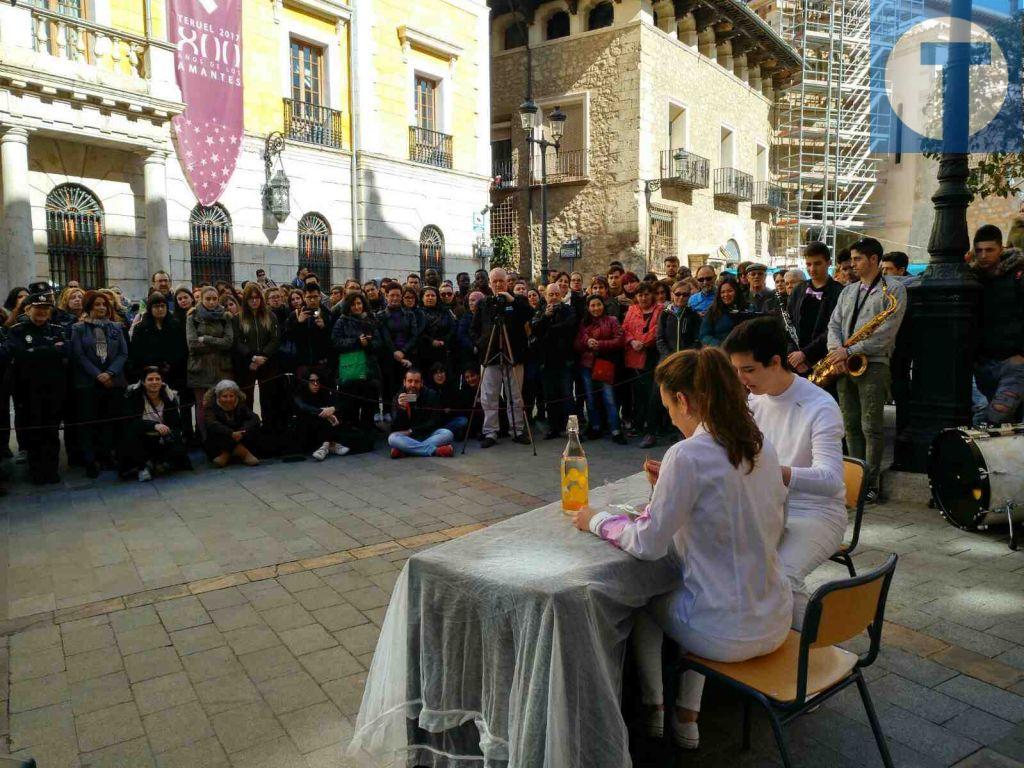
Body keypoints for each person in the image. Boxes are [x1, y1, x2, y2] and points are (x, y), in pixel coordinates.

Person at [572, 347, 791, 749]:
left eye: (669, 407)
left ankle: (653, 707)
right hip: (774, 618)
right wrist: (667, 495)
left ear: (685, 401)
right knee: (687, 591)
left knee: (643, 598)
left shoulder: (687, 454)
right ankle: (685, 716)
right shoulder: (761, 444)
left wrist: (596, 520)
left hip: (723, 630)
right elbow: (730, 509)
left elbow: (647, 544)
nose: (670, 418)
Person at [725, 318, 846, 626]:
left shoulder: (820, 405)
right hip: (769, 506)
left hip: (815, 513)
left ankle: (817, 652)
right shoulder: (755, 399)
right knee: (718, 559)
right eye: (736, 370)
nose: (741, 379)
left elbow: (832, 480)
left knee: (783, 577)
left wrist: (774, 473)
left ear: (776, 362)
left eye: (748, 370)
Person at [825, 237, 907, 503]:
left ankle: (871, 483)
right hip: (844, 364)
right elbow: (833, 325)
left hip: (873, 363)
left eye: (858, 259)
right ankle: (854, 479)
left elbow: (886, 332)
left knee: (871, 426)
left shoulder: (893, 290)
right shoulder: (848, 291)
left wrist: (848, 351)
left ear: (874, 260)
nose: (852, 265)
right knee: (849, 425)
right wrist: (837, 352)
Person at [5, 291, 67, 484]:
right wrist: (48, 351)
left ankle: (51, 469)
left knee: (51, 431)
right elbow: (20, 356)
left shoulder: (57, 329)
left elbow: (64, 352)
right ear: (27, 309)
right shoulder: (17, 331)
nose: (42, 312)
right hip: (28, 390)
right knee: (34, 432)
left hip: (53, 389)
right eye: (38, 308)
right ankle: (36, 471)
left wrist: (36, 352)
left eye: (46, 309)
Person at [471, 268, 533, 448]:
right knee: (488, 396)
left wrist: (511, 300)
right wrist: (480, 343)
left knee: (515, 395)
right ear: (490, 284)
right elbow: (474, 328)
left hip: (514, 356)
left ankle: (517, 430)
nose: (498, 284)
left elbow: (529, 314)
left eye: (501, 281)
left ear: (507, 282)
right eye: (495, 281)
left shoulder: (517, 301)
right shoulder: (483, 304)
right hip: (490, 356)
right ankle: (490, 431)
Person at [70, 291, 129, 478]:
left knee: (109, 421)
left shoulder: (116, 327)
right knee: (89, 423)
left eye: (104, 304)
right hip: (88, 383)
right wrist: (98, 375)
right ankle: (90, 460)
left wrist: (110, 372)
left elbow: (123, 353)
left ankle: (107, 456)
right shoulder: (78, 329)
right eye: (97, 304)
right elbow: (78, 355)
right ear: (89, 307)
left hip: (113, 382)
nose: (102, 307)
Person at [969, 224, 1024, 424]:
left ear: (1001, 249)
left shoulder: (1018, 275)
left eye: (989, 250)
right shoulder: (974, 277)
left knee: (995, 416)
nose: (983, 255)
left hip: (1013, 362)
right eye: (979, 250)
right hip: (984, 363)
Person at [119, 367, 191, 481]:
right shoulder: (134, 396)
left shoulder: (168, 396)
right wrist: (154, 425)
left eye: (157, 379)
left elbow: (176, 423)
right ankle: (144, 466)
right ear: (143, 382)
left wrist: (170, 433)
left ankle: (159, 462)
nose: (154, 382)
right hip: (141, 437)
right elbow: (131, 423)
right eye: (150, 379)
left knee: (178, 448)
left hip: (163, 437)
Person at [786, 242, 843, 378]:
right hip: (796, 360)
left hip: (824, 360)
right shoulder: (799, 290)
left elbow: (834, 328)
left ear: (829, 263)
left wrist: (806, 354)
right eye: (808, 264)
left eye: (817, 264)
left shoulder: (839, 291)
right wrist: (793, 354)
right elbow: (788, 323)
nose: (812, 269)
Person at [575, 294, 625, 443]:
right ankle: (595, 426)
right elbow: (577, 343)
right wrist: (586, 343)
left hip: (604, 363)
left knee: (609, 398)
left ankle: (616, 429)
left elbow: (619, 340)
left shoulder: (612, 321)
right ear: (588, 308)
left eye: (598, 304)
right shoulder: (583, 324)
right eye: (592, 305)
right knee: (590, 398)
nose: (596, 308)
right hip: (587, 364)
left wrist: (600, 344)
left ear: (603, 305)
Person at [186, 286, 235, 436]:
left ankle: (223, 437)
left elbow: (228, 342)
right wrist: (217, 344)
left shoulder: (225, 316)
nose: (212, 302)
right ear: (201, 299)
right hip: (200, 368)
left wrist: (206, 339)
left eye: (214, 299)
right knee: (203, 406)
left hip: (222, 368)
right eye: (208, 299)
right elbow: (193, 344)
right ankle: (205, 438)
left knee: (224, 404)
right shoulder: (192, 317)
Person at [234, 283, 282, 433]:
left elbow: (275, 339)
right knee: (247, 398)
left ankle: (268, 429)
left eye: (257, 298)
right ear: (245, 300)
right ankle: (249, 429)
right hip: (248, 364)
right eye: (250, 298)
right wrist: (252, 358)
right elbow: (237, 341)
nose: (254, 301)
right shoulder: (239, 318)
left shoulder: (270, 315)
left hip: (267, 364)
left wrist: (264, 356)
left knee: (267, 398)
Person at [531, 283, 576, 439]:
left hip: (565, 360)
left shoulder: (568, 310)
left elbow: (569, 327)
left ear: (561, 295)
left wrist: (549, 330)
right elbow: (535, 329)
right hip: (547, 361)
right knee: (550, 396)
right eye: (551, 295)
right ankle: (553, 427)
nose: (554, 297)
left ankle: (571, 429)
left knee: (567, 394)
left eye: (557, 294)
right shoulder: (541, 312)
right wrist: (546, 317)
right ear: (546, 296)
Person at [332, 293, 382, 431]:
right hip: (351, 367)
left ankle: (368, 429)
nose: (357, 307)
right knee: (350, 402)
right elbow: (336, 342)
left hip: (369, 367)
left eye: (359, 303)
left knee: (369, 401)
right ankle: (351, 429)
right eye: (353, 304)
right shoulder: (341, 321)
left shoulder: (370, 320)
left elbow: (379, 343)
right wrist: (356, 342)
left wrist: (369, 343)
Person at [623, 282, 663, 448]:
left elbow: (657, 330)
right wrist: (632, 341)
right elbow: (624, 328)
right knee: (637, 392)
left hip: (652, 354)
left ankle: (651, 427)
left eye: (646, 294)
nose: (643, 298)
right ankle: (639, 423)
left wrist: (643, 342)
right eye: (640, 295)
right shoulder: (632, 310)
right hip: (634, 354)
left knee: (651, 394)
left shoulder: (660, 309)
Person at [388, 368, 455, 458]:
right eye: (410, 381)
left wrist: (412, 431)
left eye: (416, 382)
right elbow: (395, 426)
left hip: (427, 433)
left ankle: (407, 451)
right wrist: (401, 408)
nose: (413, 385)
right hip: (409, 437)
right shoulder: (399, 397)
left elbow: (435, 422)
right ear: (404, 382)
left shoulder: (431, 395)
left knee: (447, 434)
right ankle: (435, 451)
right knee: (392, 438)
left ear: (422, 383)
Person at [128, 291, 187, 392]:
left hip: (174, 374)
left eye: (163, 306)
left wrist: (170, 364)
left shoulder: (175, 325)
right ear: (150, 308)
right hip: (150, 374)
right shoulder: (141, 328)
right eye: (156, 306)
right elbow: (137, 352)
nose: (160, 309)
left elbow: (181, 349)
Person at [292, 369, 351, 460]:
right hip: (306, 429)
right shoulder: (300, 392)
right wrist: (323, 412)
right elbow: (302, 406)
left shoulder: (323, 392)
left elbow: (339, 403)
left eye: (317, 381)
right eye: (312, 381)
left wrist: (332, 409)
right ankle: (329, 445)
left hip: (322, 426)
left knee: (333, 414)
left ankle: (326, 445)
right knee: (321, 415)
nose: (315, 384)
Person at [203, 379, 263, 467]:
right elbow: (211, 423)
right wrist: (231, 433)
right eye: (225, 396)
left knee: (253, 427)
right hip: (221, 440)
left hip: (240, 435)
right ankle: (244, 453)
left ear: (236, 396)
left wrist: (242, 431)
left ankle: (225, 455)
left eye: (231, 396)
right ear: (218, 397)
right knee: (217, 431)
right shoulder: (211, 406)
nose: (228, 399)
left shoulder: (240, 404)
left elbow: (254, 418)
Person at [285, 284, 335, 380]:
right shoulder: (295, 314)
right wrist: (298, 323)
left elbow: (333, 339)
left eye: (315, 297)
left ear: (320, 296)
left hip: (322, 364)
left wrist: (324, 327)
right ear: (304, 297)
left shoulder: (327, 314)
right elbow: (289, 337)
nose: (312, 300)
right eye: (309, 297)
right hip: (302, 365)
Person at [698, 276, 745, 347]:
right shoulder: (713, 310)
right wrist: (720, 345)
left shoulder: (747, 308)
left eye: (730, 291)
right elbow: (704, 335)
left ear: (736, 291)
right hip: (720, 351)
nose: (726, 295)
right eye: (723, 292)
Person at [418, 286, 456, 374]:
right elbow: (418, 332)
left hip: (444, 352)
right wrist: (431, 341)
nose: (430, 298)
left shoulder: (445, 312)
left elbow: (452, 328)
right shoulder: (418, 313)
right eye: (427, 295)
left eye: (433, 295)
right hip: (425, 353)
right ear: (422, 298)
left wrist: (444, 341)